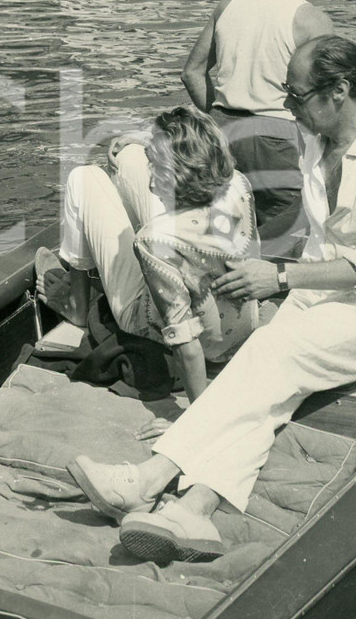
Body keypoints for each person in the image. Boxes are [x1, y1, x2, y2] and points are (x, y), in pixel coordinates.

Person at [71, 34, 356, 565]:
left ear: (338, 91)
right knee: (269, 393)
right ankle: (195, 510)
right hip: (321, 300)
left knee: (267, 358)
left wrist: (282, 279)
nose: (286, 105)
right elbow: (211, 156)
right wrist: (134, 143)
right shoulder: (316, 142)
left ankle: (149, 477)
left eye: (295, 95)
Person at [38, 106, 262, 410]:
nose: (149, 176)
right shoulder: (239, 184)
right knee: (127, 151)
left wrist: (198, 418)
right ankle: (129, 182)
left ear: (170, 174)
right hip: (241, 329)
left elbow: (187, 344)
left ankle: (76, 305)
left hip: (180, 336)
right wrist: (143, 139)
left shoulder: (153, 241)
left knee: (83, 176)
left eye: (154, 166)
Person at [181, 0, 334, 253]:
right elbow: (328, 100)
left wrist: (220, 116)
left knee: (228, 228)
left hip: (222, 133)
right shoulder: (311, 19)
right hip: (278, 138)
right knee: (292, 228)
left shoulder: (230, 3)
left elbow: (192, 72)